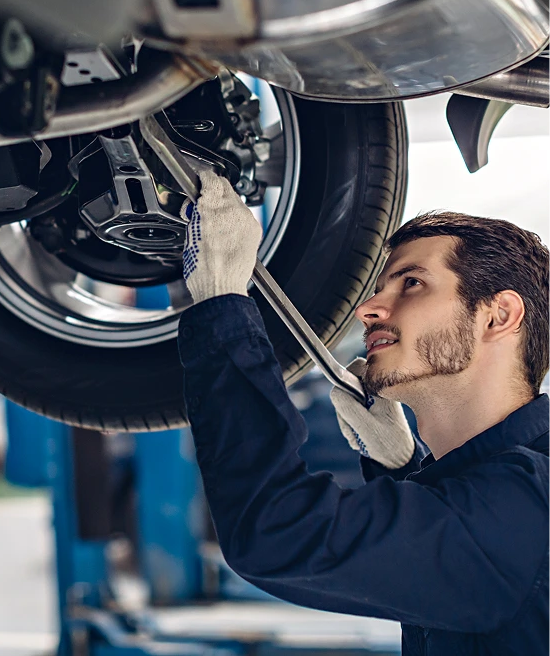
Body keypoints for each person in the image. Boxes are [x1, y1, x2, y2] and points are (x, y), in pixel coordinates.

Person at [178, 171, 550, 656]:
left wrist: (222, 303)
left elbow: (276, 531)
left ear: (499, 316)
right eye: (379, 288)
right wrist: (402, 468)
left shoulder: (526, 507)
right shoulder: (516, 496)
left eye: (411, 283)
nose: (369, 308)